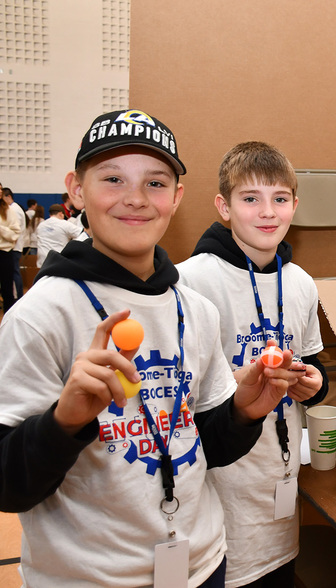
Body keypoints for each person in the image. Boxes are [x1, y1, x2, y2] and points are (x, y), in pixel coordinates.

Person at [0, 109, 298, 586]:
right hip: (90, 578)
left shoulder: (194, 310)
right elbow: (9, 487)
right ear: (76, 189)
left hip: (202, 565)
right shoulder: (39, 317)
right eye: (113, 179)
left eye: (156, 183)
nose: (136, 199)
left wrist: (244, 412)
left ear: (177, 198)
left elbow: (204, 445)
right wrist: (65, 421)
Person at [178, 141, 328, 587]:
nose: (268, 212)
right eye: (250, 199)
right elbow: (179, 404)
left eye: (280, 199)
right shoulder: (193, 280)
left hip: (279, 479)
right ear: (224, 207)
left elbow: (312, 363)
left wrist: (314, 384)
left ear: (295, 206)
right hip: (219, 488)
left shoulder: (300, 282)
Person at [36, 203, 83, 267]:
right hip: (59, 262)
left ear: (50, 214)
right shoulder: (65, 224)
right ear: (61, 214)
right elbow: (82, 233)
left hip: (42, 262)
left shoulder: (41, 225)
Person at [2, 187, 26, 303]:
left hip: (10, 248)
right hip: (10, 246)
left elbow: (16, 232)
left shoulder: (12, 210)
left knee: (12, 275)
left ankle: (17, 299)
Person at [0, 194, 21, 312]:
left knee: (7, 287)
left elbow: (14, 234)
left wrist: (1, 228)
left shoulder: (8, 210)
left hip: (4, 252)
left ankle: (8, 315)